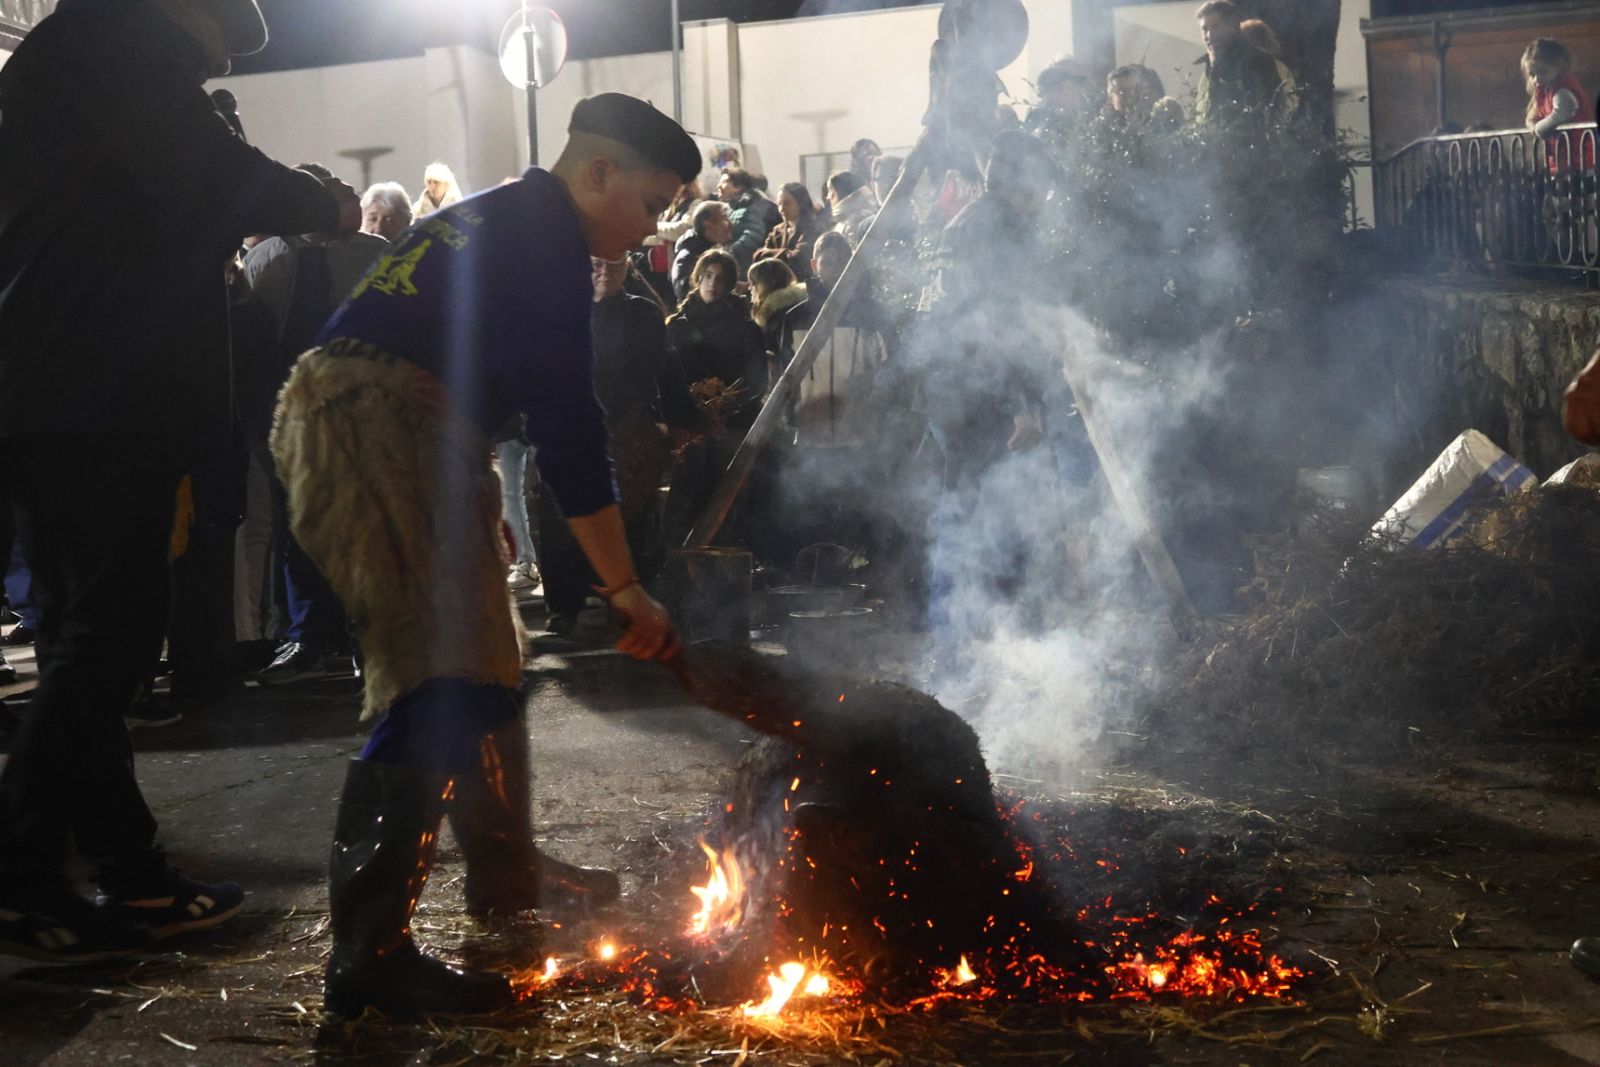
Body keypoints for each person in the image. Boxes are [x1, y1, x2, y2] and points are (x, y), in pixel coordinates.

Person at [271, 93, 695, 1017]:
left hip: (405, 423)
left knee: (487, 653)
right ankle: (368, 954)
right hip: (375, 417)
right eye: (653, 203)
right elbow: (569, 426)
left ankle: (507, 873)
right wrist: (625, 588)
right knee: (435, 672)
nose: (652, 226)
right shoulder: (543, 238)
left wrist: (460, 487)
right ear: (599, 173)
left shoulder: (513, 215)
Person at [0, 0, 355, 962]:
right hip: (98, 393)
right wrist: (321, 199)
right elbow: (212, 179)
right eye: (213, 37)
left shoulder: (70, 56)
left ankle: (129, 872)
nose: (211, 62)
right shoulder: (116, 44)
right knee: (107, 640)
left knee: (88, 641)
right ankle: (21, 868)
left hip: (63, 389)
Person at [242, 165, 388, 685]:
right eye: (335, 191)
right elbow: (250, 336)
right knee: (296, 522)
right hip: (285, 409)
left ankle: (365, 636)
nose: (344, 197)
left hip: (356, 407)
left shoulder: (371, 254)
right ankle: (307, 636)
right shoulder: (268, 256)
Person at [538, 256, 706, 632]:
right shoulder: (565, 308)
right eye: (596, 264)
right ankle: (564, 607)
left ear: (627, 269)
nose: (603, 272)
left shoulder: (644, 313)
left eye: (613, 266)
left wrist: (683, 420)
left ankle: (626, 604)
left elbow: (666, 366)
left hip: (629, 427)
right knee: (560, 516)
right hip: (572, 425)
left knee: (629, 518)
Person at [661, 250, 769, 548]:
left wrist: (726, 406)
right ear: (698, 278)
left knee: (726, 499)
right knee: (684, 498)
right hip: (687, 427)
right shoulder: (677, 325)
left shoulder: (745, 328)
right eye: (708, 275)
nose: (712, 283)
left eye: (720, 278)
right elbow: (664, 373)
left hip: (731, 426)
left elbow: (756, 378)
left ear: (730, 285)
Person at [1193, 0, 1288, 130]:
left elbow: (1270, 116)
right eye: (1205, 29)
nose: (1209, 35)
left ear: (1233, 26)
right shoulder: (1208, 71)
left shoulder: (1258, 62)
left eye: (1216, 27)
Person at [1523, 38, 1595, 170]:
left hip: (1580, 162)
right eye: (1532, 74)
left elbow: (1562, 113)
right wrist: (1532, 124)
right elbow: (1531, 117)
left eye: (1543, 71)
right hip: (1562, 161)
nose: (1536, 79)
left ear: (1560, 67)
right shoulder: (1544, 91)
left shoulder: (1563, 89)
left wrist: (1538, 128)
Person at [753, 181, 826, 282]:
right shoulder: (777, 230)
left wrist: (771, 255)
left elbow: (797, 259)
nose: (782, 209)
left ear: (800, 203)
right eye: (779, 204)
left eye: (787, 203)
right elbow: (758, 256)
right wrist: (785, 254)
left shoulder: (813, 229)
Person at [717, 167, 781, 276]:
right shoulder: (734, 207)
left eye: (724, 182)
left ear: (738, 187)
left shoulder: (751, 205)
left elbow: (753, 235)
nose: (719, 186)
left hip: (750, 268)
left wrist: (729, 251)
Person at [671, 199, 732, 301]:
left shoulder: (716, 249)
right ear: (707, 224)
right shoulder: (688, 256)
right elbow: (685, 293)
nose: (730, 224)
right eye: (725, 218)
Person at [826, 170, 881, 247]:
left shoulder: (854, 224)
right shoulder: (849, 220)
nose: (827, 197)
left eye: (830, 190)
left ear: (842, 191)